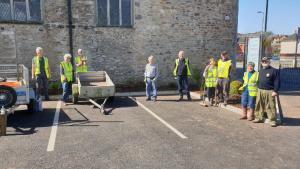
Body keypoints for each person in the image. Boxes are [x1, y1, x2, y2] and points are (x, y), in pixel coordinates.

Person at [253, 57, 280, 127]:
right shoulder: (260, 70)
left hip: (270, 91)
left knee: (270, 106)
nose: (264, 63)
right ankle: (258, 117)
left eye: (266, 61)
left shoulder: (274, 71)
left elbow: (277, 81)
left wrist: (275, 91)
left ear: (269, 62)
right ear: (261, 62)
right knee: (259, 104)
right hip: (260, 90)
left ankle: (272, 120)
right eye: (263, 62)